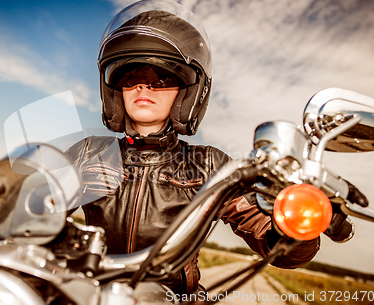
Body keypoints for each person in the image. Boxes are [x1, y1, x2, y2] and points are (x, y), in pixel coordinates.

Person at [64, 0, 320, 295]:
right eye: (131, 75)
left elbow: (277, 243)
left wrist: (300, 221)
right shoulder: (89, 153)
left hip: (172, 299)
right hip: (86, 294)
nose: (143, 86)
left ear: (187, 93)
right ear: (115, 89)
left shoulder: (209, 164)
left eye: (162, 77)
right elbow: (30, 207)